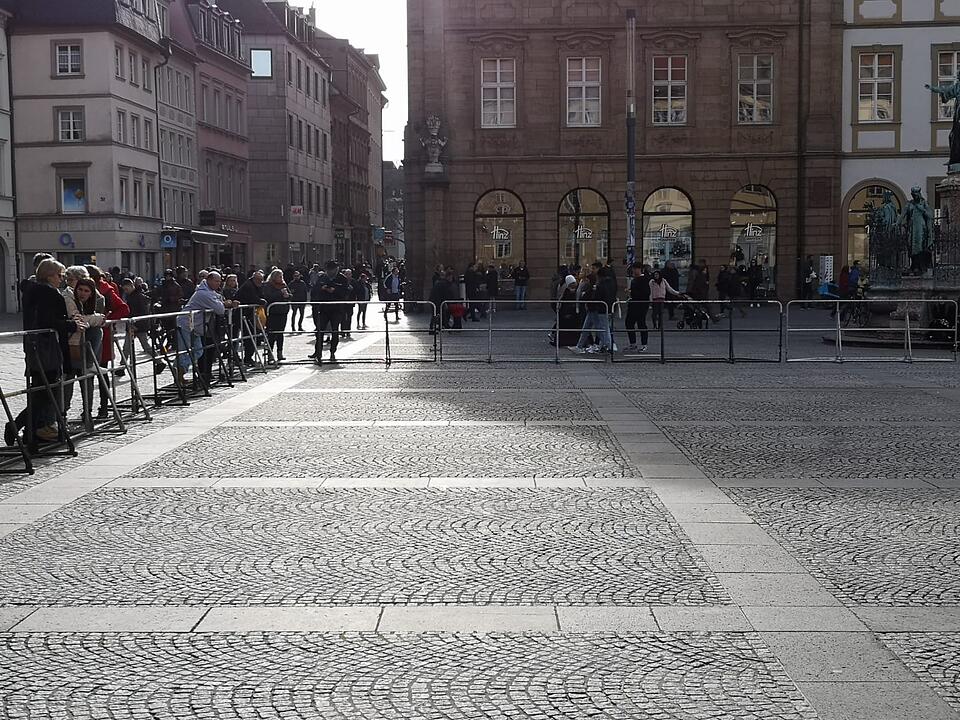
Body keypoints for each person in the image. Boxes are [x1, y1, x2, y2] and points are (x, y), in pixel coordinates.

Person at [5, 260, 85, 447]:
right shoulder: (49, 293)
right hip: (47, 347)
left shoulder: (34, 291)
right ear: (49, 275)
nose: (61, 279)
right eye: (59, 275)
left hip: (35, 346)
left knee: (42, 391)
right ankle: (19, 426)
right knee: (47, 392)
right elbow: (50, 321)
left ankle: (29, 434)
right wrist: (72, 324)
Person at [176, 271, 236, 383]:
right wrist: (226, 304)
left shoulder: (209, 291)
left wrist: (224, 302)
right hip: (186, 324)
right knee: (187, 350)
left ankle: (179, 370)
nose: (219, 284)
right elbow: (219, 309)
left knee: (198, 350)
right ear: (209, 280)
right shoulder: (203, 294)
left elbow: (219, 299)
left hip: (195, 326)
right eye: (216, 281)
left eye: (220, 281)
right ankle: (179, 373)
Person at [87, 265, 129, 419]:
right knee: (88, 375)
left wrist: (107, 320)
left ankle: (103, 407)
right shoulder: (82, 289)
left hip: (101, 336)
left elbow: (123, 308)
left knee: (101, 373)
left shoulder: (107, 290)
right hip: (86, 335)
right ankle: (88, 409)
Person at [64, 278, 105, 420]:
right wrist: (96, 319)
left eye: (86, 291)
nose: (82, 293)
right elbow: (78, 320)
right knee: (68, 381)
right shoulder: (70, 300)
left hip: (84, 350)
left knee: (87, 380)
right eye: (80, 289)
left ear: (91, 294)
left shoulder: (91, 305)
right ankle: (63, 414)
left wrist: (94, 319)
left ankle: (87, 412)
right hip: (71, 348)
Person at [311, 260, 351, 363]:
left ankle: (333, 351)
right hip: (323, 308)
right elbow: (315, 290)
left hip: (336, 309)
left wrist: (335, 291)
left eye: (331, 270)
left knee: (334, 331)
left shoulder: (342, 279)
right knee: (320, 330)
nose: (329, 272)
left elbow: (346, 292)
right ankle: (317, 352)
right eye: (328, 270)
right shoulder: (322, 277)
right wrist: (322, 289)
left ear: (336, 269)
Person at [570, 271, 612, 354]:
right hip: (593, 309)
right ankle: (579, 346)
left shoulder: (595, 287)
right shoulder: (600, 285)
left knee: (598, 329)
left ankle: (607, 345)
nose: (586, 281)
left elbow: (590, 297)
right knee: (587, 328)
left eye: (588, 280)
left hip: (594, 309)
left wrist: (584, 296)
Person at [237, 270, 266, 366]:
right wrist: (261, 301)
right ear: (254, 279)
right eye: (258, 280)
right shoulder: (249, 286)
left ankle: (248, 357)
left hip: (249, 314)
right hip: (243, 314)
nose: (260, 282)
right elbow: (253, 298)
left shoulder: (256, 285)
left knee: (252, 335)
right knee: (249, 336)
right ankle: (247, 358)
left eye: (261, 280)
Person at [262, 269, 291, 361]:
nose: (281, 278)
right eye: (279, 276)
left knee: (280, 333)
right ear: (274, 277)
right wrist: (280, 293)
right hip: (273, 312)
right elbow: (268, 296)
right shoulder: (268, 285)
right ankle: (270, 353)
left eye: (282, 276)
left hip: (283, 312)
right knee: (272, 334)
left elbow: (290, 295)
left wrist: (288, 296)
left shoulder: (284, 285)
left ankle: (280, 352)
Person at [625, 264, 651, 352]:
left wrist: (632, 293)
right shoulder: (634, 280)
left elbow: (645, 293)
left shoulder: (644, 279)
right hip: (633, 304)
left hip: (641, 305)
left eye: (636, 269)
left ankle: (644, 344)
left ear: (641, 270)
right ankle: (633, 343)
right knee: (629, 323)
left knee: (641, 324)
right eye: (633, 269)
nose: (634, 271)